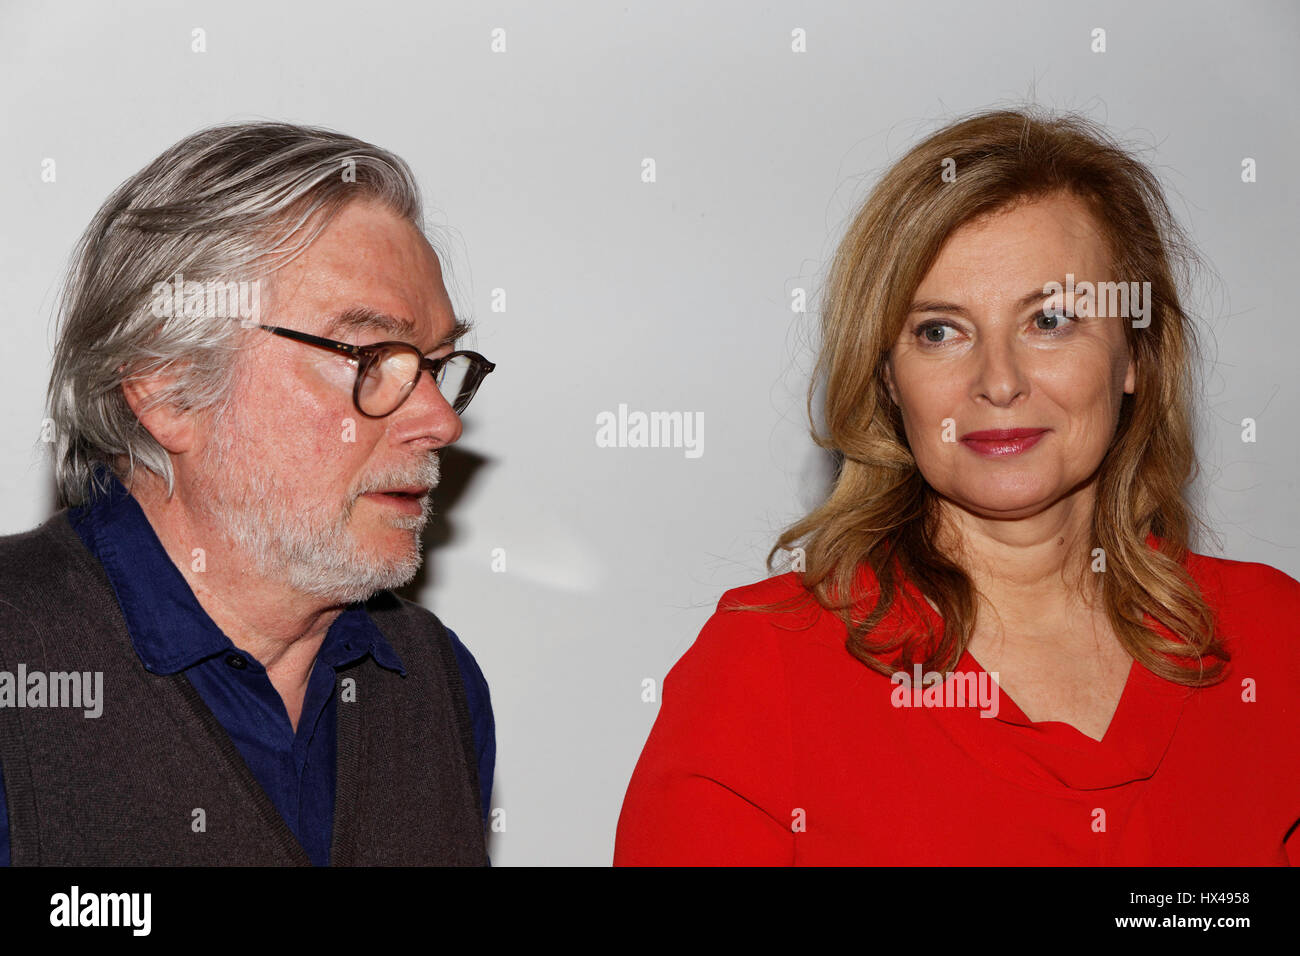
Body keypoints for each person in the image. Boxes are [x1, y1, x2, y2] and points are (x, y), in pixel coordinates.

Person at [614, 108, 1300, 866]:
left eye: (1052, 320)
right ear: (885, 377)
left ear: (1135, 355)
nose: (999, 382)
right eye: (940, 331)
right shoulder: (762, 671)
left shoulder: (1275, 641)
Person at [0, 122, 497, 865]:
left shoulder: (433, 683)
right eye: (371, 356)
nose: (440, 419)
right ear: (168, 388)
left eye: (437, 364)